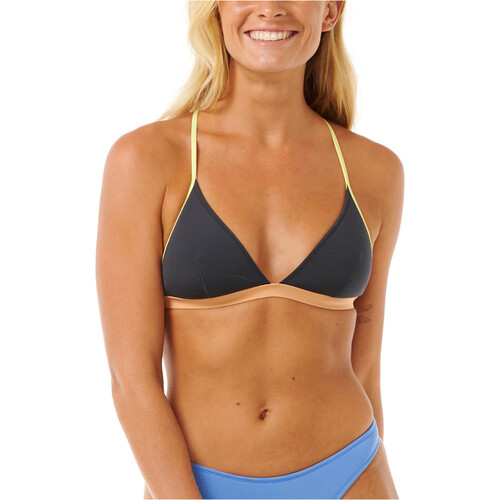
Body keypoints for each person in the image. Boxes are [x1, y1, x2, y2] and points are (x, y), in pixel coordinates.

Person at [96, 1, 404, 498]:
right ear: (216, 10)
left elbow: (365, 365)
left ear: (330, 11)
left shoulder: (374, 171)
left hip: (351, 472)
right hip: (197, 483)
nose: (270, 8)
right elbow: (132, 378)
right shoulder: (148, 160)